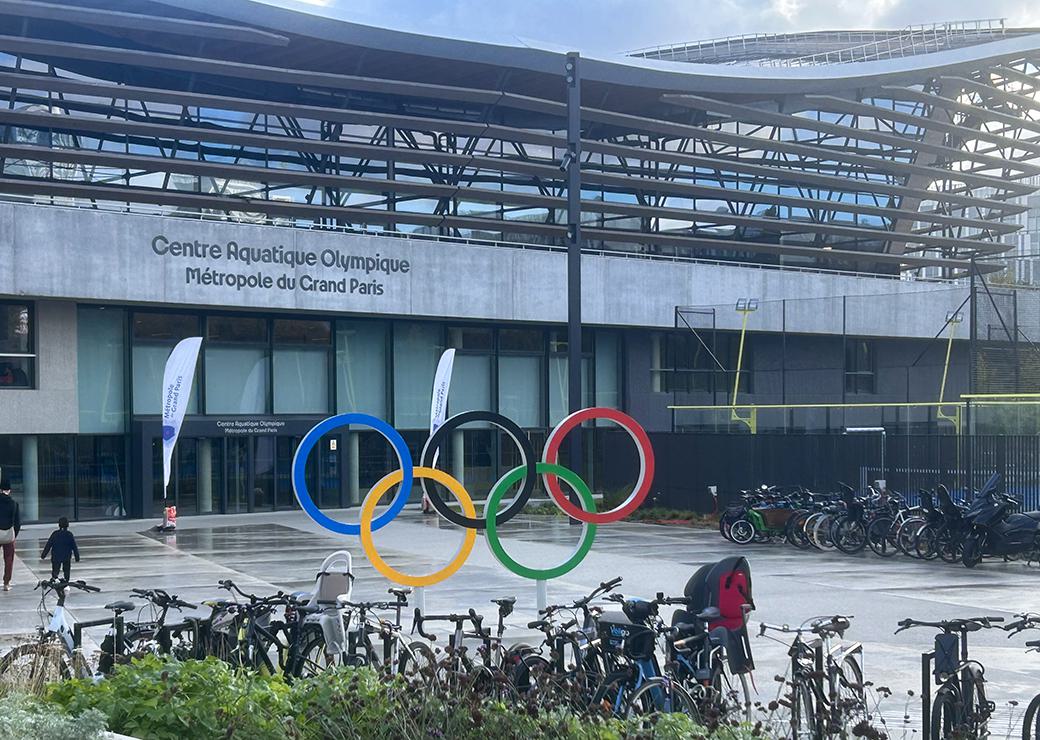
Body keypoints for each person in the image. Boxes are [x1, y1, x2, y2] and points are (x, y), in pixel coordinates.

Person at [41, 517, 79, 582]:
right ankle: (66, 580)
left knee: (55, 570)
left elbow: (48, 545)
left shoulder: (55, 534)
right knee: (66, 570)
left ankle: (55, 579)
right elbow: (74, 547)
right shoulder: (69, 534)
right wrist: (77, 557)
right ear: (67, 525)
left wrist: (43, 555)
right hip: (66, 556)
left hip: (56, 556)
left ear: (59, 525)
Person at [0, 475, 20, 591]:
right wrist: (14, 535)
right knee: (9, 559)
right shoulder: (14, 504)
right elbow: (17, 523)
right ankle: (6, 583)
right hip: (8, 535)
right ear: (9, 490)